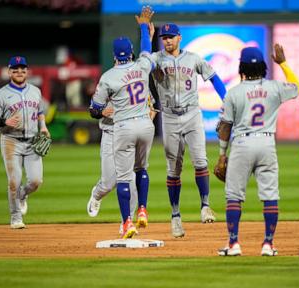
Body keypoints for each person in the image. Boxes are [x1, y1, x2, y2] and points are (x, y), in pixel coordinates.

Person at [216, 45, 299, 256]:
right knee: (270, 194)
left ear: (241, 67)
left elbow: (225, 127)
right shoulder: (274, 87)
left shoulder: (233, 93)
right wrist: (282, 63)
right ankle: (268, 244)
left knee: (234, 196)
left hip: (242, 144)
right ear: (264, 66)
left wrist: (221, 155)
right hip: (266, 143)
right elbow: (297, 87)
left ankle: (234, 244)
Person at [148, 21, 227, 238]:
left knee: (201, 162)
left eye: (171, 36)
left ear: (179, 37)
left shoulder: (193, 58)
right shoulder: (155, 59)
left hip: (192, 114)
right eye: (164, 37)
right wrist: (148, 36)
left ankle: (205, 206)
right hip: (170, 117)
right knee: (173, 170)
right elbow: (142, 64)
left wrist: (226, 99)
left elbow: (213, 77)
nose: (168, 40)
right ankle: (175, 217)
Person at [89, 6, 155, 239]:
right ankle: (143, 210)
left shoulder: (108, 77)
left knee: (124, 179)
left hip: (123, 127)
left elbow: (94, 110)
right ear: (132, 52)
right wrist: (144, 29)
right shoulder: (143, 66)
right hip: (146, 125)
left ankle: (126, 223)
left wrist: (100, 111)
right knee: (141, 170)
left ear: (115, 55)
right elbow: (147, 50)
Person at [0, 56, 50, 229]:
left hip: (32, 141)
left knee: (36, 181)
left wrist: (43, 127)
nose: (19, 72)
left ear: (27, 71)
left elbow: (40, 111)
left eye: (22, 69)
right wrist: (4, 122)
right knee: (14, 181)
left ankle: (22, 195)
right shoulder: (0, 95)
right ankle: (15, 217)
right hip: (10, 141)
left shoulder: (35, 91)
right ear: (9, 72)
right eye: (15, 69)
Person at [86, 101, 139, 235]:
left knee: (131, 181)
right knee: (108, 183)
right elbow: (92, 110)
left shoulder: (134, 82)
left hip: (129, 135)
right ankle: (97, 195)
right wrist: (100, 112)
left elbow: (149, 105)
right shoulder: (106, 83)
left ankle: (127, 222)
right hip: (110, 134)